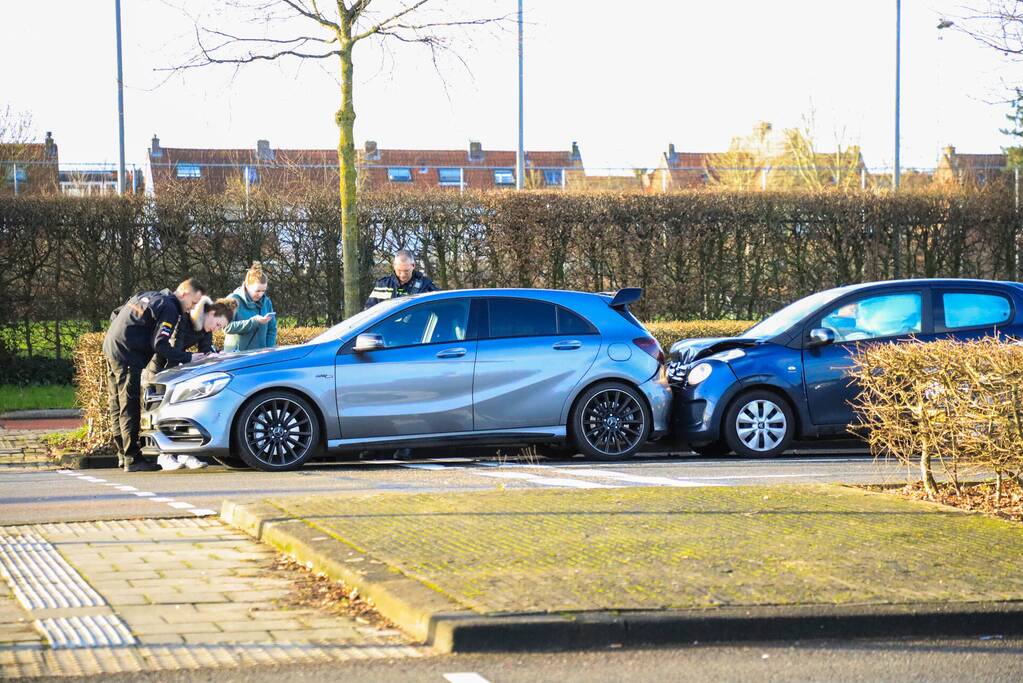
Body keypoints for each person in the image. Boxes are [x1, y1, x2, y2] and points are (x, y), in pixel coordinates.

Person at [103, 278, 206, 472]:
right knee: (129, 405)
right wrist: (188, 357)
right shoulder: (170, 308)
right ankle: (133, 459)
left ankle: (122, 455)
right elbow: (160, 344)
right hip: (128, 353)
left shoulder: (148, 295)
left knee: (116, 403)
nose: (191, 309)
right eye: (193, 303)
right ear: (184, 293)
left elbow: (116, 313)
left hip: (111, 346)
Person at [142, 296, 238, 471]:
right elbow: (172, 349)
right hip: (160, 370)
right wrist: (187, 362)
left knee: (184, 410)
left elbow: (206, 350)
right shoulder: (183, 320)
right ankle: (164, 455)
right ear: (211, 313)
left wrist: (216, 357)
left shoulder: (206, 329)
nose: (216, 329)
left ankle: (185, 453)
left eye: (220, 328)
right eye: (217, 324)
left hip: (178, 370)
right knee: (162, 411)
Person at [223, 261, 277, 352]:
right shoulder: (232, 300)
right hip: (236, 355)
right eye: (257, 291)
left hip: (261, 355)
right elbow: (226, 327)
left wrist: (269, 349)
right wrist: (253, 321)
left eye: (263, 291)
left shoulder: (267, 302)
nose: (260, 294)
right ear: (247, 286)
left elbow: (272, 329)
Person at [364, 250, 438, 310]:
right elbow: (369, 311)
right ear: (394, 266)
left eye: (406, 271)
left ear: (413, 266)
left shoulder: (425, 286)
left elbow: (441, 306)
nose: (402, 275)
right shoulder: (383, 285)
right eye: (399, 270)